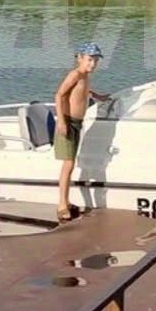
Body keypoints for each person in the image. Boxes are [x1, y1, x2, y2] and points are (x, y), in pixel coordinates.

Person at [53, 43, 109, 221]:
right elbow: (59, 95)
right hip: (68, 122)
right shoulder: (75, 74)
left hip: (77, 123)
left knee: (71, 162)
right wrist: (61, 121)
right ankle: (62, 205)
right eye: (90, 60)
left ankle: (67, 201)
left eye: (96, 61)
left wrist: (97, 96)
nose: (93, 64)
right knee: (68, 164)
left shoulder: (84, 76)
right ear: (80, 58)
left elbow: (82, 90)